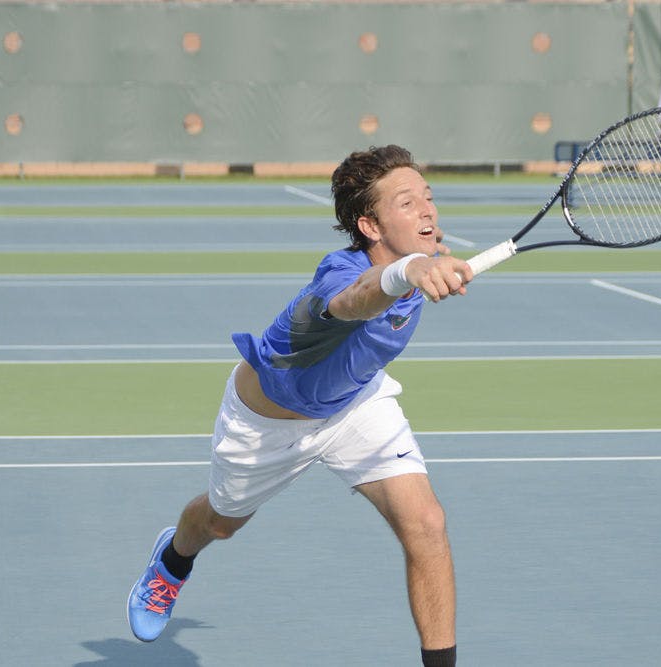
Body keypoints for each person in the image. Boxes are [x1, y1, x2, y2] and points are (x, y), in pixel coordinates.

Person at [128, 145, 473, 667]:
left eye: (428, 197)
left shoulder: (420, 265)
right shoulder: (340, 276)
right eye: (407, 203)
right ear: (370, 226)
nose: (427, 210)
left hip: (356, 403)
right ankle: (173, 561)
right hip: (268, 423)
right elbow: (356, 299)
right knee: (220, 524)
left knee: (426, 523)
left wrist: (420, 267)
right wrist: (411, 270)